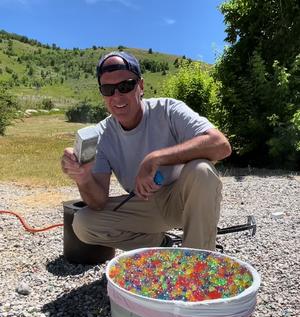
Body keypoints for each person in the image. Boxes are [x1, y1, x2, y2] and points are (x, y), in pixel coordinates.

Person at [61, 51, 231, 251]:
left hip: (182, 201)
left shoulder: (168, 109)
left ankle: (195, 264)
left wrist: (156, 158)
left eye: (125, 86)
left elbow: (221, 146)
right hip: (143, 205)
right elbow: (98, 202)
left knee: (201, 170)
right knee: (83, 224)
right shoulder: (101, 135)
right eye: (108, 89)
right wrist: (83, 178)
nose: (117, 96)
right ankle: (158, 245)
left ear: (140, 86)